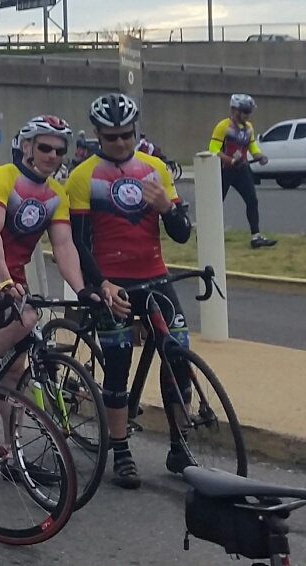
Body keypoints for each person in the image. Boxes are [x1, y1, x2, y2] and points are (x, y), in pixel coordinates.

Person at [69, 93, 195, 485]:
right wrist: (100, 285)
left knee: (178, 358)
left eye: (127, 134)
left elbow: (181, 234)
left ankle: (180, 447)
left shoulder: (155, 169)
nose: (121, 142)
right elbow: (79, 243)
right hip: (113, 283)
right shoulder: (83, 176)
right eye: (112, 137)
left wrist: (167, 208)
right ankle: (121, 450)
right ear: (97, 134)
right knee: (118, 366)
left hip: (155, 277)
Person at [0, 115, 116, 382]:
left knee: (14, 367)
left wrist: (81, 290)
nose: (53, 156)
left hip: (14, 278)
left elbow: (63, 246)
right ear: (26, 146)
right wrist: (5, 283)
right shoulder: (1, 177)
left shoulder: (56, 194)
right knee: (25, 319)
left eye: (59, 151)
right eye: (45, 148)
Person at [211, 93, 276, 248]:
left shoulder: (249, 128)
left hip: (241, 169)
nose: (248, 115)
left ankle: (256, 237)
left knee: (252, 200)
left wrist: (260, 156)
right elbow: (213, 149)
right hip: (224, 170)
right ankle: (206, 234)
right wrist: (230, 160)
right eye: (245, 111)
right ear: (235, 110)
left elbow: (252, 146)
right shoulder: (223, 126)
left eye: (249, 112)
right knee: (216, 204)